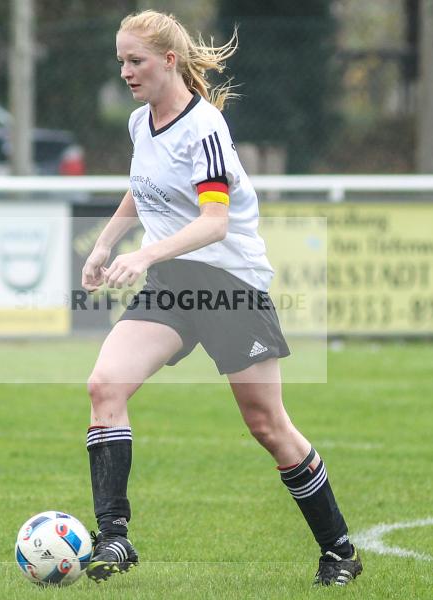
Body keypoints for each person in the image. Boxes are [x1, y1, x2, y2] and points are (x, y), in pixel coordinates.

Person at [80, 10, 362, 586]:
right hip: (173, 288)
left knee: (268, 426)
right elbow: (140, 192)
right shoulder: (141, 124)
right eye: (121, 62)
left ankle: (339, 550)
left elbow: (214, 223)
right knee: (105, 385)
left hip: (230, 287)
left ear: (168, 60)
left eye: (135, 61)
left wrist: (145, 255)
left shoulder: (204, 127)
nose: (126, 71)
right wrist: (105, 245)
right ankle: (114, 539)